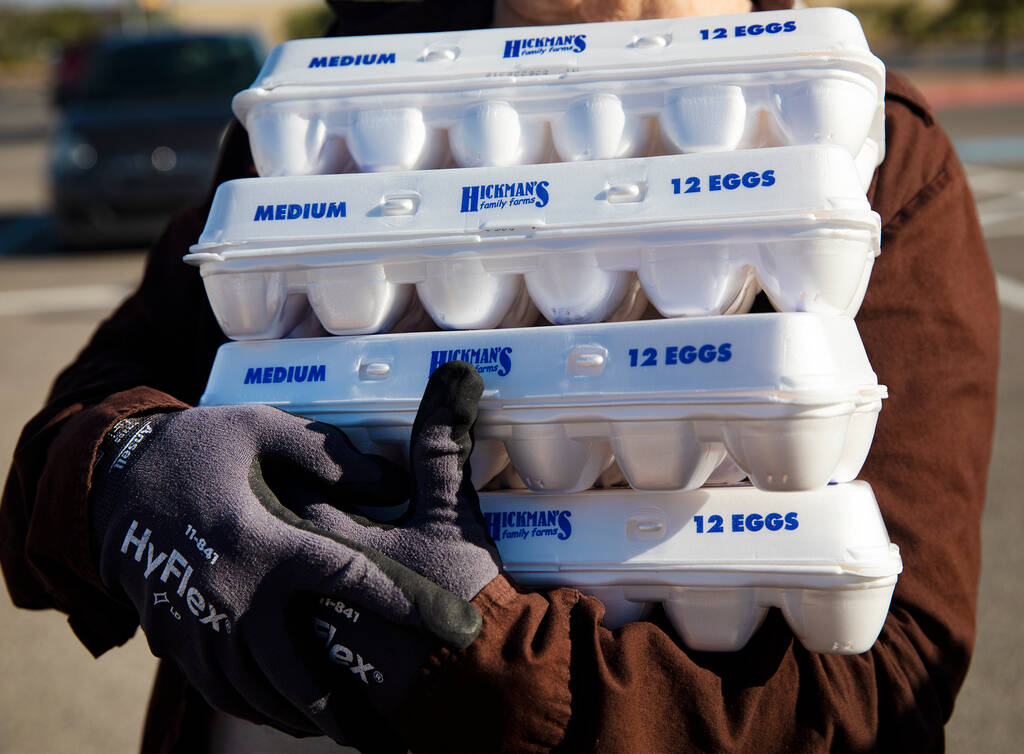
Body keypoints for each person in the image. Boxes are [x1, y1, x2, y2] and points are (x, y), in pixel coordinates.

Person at [0, 0, 999, 751]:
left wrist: (481, 662)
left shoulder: (862, 144)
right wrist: (131, 472)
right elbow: (56, 467)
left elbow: (881, 686)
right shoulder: (340, 110)